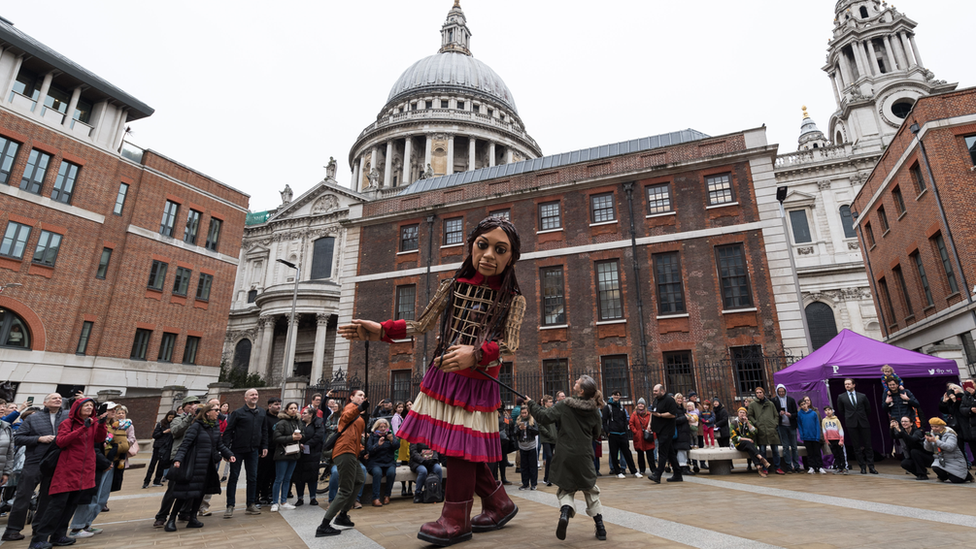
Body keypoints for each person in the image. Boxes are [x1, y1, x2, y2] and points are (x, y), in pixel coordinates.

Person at [335, 216, 526, 546]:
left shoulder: (512, 300)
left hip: (476, 381)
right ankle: (498, 502)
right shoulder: (452, 286)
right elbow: (421, 325)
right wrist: (381, 330)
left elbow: (509, 343)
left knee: (461, 451)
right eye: (482, 245)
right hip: (444, 376)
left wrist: (477, 353)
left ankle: (456, 518)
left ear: (511, 257)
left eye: (500, 249)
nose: (489, 255)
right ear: (471, 246)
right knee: (457, 448)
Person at [527, 375, 607, 541]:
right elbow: (597, 432)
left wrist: (531, 404)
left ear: (582, 390)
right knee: (590, 489)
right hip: (584, 454)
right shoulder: (594, 410)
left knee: (565, 488)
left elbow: (544, 417)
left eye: (578, 382)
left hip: (565, 452)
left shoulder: (565, 405)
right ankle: (600, 527)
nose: (575, 381)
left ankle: (565, 512)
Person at [30, 398, 108, 548]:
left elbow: (99, 438)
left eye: (91, 406)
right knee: (56, 506)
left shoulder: (92, 423)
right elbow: (61, 441)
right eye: (86, 405)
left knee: (71, 505)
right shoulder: (67, 423)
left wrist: (101, 423)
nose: (89, 407)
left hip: (83, 472)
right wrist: (83, 428)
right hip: (67, 470)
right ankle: (39, 539)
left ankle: (58, 535)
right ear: (77, 408)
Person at [3, 393, 65, 542]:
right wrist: (38, 439)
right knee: (23, 495)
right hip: (35, 461)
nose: (58, 400)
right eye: (54, 398)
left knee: (47, 497)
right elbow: (18, 437)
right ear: (45, 402)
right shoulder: (33, 418)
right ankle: (12, 530)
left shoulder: (67, 417)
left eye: (60, 398)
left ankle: (39, 528)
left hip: (56, 462)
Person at [165, 403, 235, 531]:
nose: (218, 412)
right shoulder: (196, 426)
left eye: (219, 410)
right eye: (216, 410)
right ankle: (171, 519)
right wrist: (178, 459)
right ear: (207, 412)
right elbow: (185, 444)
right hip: (194, 465)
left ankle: (193, 518)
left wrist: (229, 455)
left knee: (199, 493)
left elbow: (219, 445)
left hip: (207, 466)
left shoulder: (215, 427)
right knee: (184, 493)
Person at [69, 401, 127, 538]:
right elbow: (94, 447)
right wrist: (105, 462)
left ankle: (87, 524)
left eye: (115, 409)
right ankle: (77, 527)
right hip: (98, 465)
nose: (113, 412)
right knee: (91, 497)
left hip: (111, 464)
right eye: (110, 409)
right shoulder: (95, 424)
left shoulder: (115, 425)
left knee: (102, 498)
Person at [316, 390, 368, 537]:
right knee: (345, 489)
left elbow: (356, 436)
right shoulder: (349, 408)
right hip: (345, 451)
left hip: (353, 452)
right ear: (351, 397)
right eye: (359, 395)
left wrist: (362, 449)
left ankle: (343, 515)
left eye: (364, 396)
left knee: (358, 480)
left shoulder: (359, 414)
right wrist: (359, 407)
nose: (362, 398)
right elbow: (346, 416)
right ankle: (324, 525)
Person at [153, 395, 200, 528]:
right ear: (184, 406)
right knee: (173, 488)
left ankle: (185, 512)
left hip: (194, 456)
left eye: (195, 403)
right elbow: (176, 431)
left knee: (192, 486)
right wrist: (190, 417)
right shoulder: (178, 419)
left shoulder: (199, 419)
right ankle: (162, 516)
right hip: (179, 456)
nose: (193, 405)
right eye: (190, 403)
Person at [221, 388, 268, 518]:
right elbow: (228, 432)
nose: (254, 396)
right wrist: (226, 450)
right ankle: (230, 505)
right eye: (252, 395)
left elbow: (264, 431)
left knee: (252, 477)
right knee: (234, 477)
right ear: (245, 398)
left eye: (256, 394)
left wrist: (264, 445)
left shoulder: (261, 412)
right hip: (237, 450)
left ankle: (251, 504)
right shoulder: (238, 413)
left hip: (253, 450)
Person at [836, 378, 877, 474]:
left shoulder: (862, 396)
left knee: (868, 445)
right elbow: (841, 410)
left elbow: (868, 409)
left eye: (849, 384)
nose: (847, 386)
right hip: (851, 423)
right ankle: (862, 467)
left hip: (863, 422)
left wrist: (862, 416)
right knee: (856, 446)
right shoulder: (841, 397)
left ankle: (871, 467)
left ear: (854, 385)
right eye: (845, 384)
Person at [270, 402, 302, 511]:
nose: (293, 410)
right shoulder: (282, 422)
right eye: (291, 408)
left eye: (295, 408)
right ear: (286, 410)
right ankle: (275, 502)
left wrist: (301, 437)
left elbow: (304, 434)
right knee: (279, 478)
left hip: (294, 453)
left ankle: (284, 501)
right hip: (282, 454)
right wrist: (291, 438)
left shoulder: (298, 422)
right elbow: (276, 438)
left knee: (288, 479)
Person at [923, 417, 974, 483]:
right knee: (935, 466)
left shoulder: (950, 434)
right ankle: (943, 477)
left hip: (954, 460)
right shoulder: (932, 434)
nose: (934, 428)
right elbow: (928, 449)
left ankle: (967, 475)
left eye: (936, 427)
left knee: (955, 480)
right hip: (941, 459)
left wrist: (935, 441)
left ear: (942, 427)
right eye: (932, 426)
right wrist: (928, 441)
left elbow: (950, 447)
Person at [648, 384, 681, 484]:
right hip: (658, 430)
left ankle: (657, 475)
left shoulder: (669, 400)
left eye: (656, 391)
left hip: (666, 431)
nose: (654, 393)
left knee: (662, 452)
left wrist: (661, 415)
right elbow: (653, 412)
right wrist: (649, 424)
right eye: (653, 391)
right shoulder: (656, 400)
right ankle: (678, 474)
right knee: (670, 452)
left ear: (662, 391)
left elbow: (672, 414)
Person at [747, 387, 783, 474]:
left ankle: (777, 467)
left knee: (775, 450)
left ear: (763, 393)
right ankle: (764, 467)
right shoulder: (753, 405)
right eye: (757, 392)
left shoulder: (770, 404)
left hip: (771, 429)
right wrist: (756, 423)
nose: (759, 394)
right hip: (761, 429)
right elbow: (750, 415)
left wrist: (775, 424)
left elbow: (776, 415)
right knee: (762, 450)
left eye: (760, 392)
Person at [602, 390, 637, 478]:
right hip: (613, 433)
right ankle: (617, 472)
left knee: (627, 453)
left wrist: (625, 430)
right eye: (615, 395)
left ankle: (634, 471)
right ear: (612, 396)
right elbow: (604, 421)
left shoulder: (621, 407)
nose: (616, 397)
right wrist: (608, 432)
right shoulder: (607, 407)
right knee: (614, 453)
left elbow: (625, 420)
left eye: (618, 395)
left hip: (622, 433)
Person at [294, 405, 324, 507]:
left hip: (313, 453)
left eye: (305, 413)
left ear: (311, 415)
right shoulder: (300, 423)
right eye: (302, 413)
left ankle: (312, 497)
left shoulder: (318, 423)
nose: (303, 415)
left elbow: (318, 436)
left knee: (312, 476)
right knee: (299, 476)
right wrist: (300, 445)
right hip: (300, 453)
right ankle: (300, 497)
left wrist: (306, 445)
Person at [366, 417, 399, 506]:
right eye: (381, 427)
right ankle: (375, 498)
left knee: (391, 473)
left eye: (385, 427)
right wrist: (377, 445)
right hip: (375, 462)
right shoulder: (372, 436)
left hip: (389, 461)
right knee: (377, 473)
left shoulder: (390, 435)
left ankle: (387, 496)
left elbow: (397, 446)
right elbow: (369, 450)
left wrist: (392, 440)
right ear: (376, 428)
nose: (383, 429)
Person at [730, 407, 771, 477]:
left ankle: (759, 468)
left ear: (746, 414)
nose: (742, 414)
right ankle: (761, 458)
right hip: (739, 444)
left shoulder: (749, 422)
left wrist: (748, 422)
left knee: (750, 449)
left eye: (744, 413)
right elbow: (734, 437)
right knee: (749, 443)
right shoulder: (734, 423)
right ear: (738, 414)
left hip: (749, 444)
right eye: (740, 412)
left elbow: (755, 432)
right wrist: (747, 439)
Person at [257, 397, 282, 505]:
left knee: (273, 474)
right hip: (266, 450)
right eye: (276, 404)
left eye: (279, 404)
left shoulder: (280, 419)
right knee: (262, 474)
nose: (278, 406)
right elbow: (262, 434)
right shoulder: (264, 418)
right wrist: (262, 447)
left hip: (277, 450)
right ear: (269, 406)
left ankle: (269, 494)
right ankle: (260, 495)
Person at [891, 415, 931, 479]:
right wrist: (891, 428)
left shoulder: (917, 432)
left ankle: (922, 474)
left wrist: (899, 430)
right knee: (905, 463)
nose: (904, 423)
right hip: (914, 457)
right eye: (902, 421)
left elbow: (912, 440)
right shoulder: (903, 432)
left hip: (926, 456)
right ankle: (919, 474)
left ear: (911, 423)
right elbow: (893, 436)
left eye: (906, 421)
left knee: (914, 451)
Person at [144, 411, 176, 489]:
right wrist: (164, 432)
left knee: (161, 465)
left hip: (167, 447)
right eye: (170, 417)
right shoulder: (161, 424)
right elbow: (155, 435)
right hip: (158, 447)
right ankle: (146, 481)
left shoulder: (174, 425)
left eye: (173, 417)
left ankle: (157, 481)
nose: (171, 419)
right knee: (153, 464)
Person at [773, 384, 800, 473]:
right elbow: (773, 413)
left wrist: (791, 415)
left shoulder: (791, 400)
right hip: (781, 426)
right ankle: (788, 466)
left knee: (794, 447)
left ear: (785, 391)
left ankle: (796, 466)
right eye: (779, 391)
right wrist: (779, 413)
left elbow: (796, 413)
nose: (781, 393)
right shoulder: (775, 400)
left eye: (782, 391)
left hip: (791, 425)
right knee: (785, 447)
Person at [797, 397, 825, 474]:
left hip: (815, 436)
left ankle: (819, 467)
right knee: (810, 453)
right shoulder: (799, 414)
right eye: (802, 405)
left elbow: (817, 425)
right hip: (806, 437)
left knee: (817, 452)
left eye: (804, 404)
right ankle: (811, 467)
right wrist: (802, 435)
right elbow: (799, 425)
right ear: (800, 406)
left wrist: (817, 436)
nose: (804, 406)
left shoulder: (813, 413)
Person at [515, 407, 539, 490]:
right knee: (524, 466)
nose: (524, 414)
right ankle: (525, 484)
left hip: (531, 445)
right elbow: (514, 432)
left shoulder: (532, 420)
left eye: (525, 413)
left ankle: (533, 484)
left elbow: (537, 431)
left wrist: (528, 427)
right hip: (522, 446)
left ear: (528, 413)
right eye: (522, 413)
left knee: (532, 466)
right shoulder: (518, 421)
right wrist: (519, 429)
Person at [821, 406, 847, 474]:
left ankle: (844, 467)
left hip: (838, 439)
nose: (828, 411)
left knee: (841, 454)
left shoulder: (836, 420)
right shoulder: (824, 420)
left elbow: (841, 430)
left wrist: (841, 440)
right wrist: (826, 440)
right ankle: (839, 467)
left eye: (829, 410)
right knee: (835, 454)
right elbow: (824, 431)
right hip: (830, 440)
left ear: (832, 411)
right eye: (826, 410)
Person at [538, 395, 557, 486]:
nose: (552, 403)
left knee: (553, 458)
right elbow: (540, 425)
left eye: (552, 401)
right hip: (546, 438)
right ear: (545, 403)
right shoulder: (542, 412)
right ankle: (547, 477)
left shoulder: (552, 411)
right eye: (550, 401)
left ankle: (550, 477)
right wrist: (548, 434)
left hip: (553, 437)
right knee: (549, 456)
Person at [959, 380, 976, 466]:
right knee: (974, 449)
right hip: (971, 426)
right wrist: (970, 410)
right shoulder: (965, 396)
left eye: (971, 383)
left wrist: (974, 394)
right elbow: (962, 409)